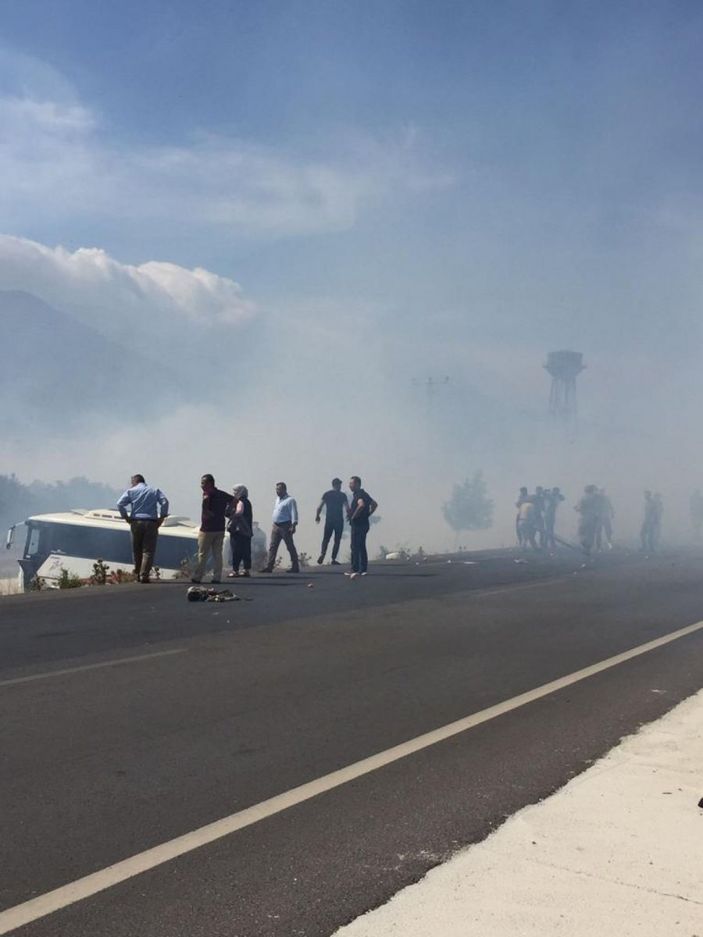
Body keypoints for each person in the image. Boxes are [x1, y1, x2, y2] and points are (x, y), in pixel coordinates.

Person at [116, 474, 169, 583]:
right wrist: (162, 516)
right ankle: (144, 575)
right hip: (151, 523)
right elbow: (165, 502)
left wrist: (126, 517)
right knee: (148, 551)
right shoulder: (154, 490)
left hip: (136, 522)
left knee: (136, 549)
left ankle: (137, 574)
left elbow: (119, 504)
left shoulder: (131, 491)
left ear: (135, 481)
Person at [192, 474, 233, 583]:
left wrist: (208, 512)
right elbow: (235, 501)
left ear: (209, 483)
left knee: (202, 554)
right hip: (219, 528)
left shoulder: (207, 495)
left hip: (207, 529)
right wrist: (228, 512)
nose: (201, 485)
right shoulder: (221, 494)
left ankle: (198, 577)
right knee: (217, 554)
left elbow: (206, 508)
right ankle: (217, 577)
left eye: (203, 483)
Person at [259, 482, 300, 573]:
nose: (277, 491)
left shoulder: (290, 500)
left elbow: (294, 513)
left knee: (290, 546)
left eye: (279, 489)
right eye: (276, 489)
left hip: (285, 525)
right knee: (273, 546)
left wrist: (293, 525)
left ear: (284, 489)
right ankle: (269, 566)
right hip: (276, 525)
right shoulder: (277, 499)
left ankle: (295, 566)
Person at [346, 476, 378, 578]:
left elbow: (361, 505)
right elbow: (374, 504)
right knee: (361, 546)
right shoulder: (364, 494)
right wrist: (368, 514)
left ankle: (355, 569)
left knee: (355, 546)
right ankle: (363, 569)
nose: (350, 485)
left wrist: (354, 517)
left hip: (358, 524)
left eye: (352, 483)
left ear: (358, 484)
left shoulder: (359, 495)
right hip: (364, 523)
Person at [315, 478, 349, 565]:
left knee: (326, 538)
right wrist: (350, 515)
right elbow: (347, 507)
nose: (340, 486)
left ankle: (322, 553)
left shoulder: (327, 494)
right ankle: (333, 558)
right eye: (339, 485)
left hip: (329, 519)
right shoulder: (342, 495)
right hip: (338, 520)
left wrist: (317, 516)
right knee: (337, 540)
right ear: (336, 485)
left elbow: (319, 506)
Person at [226, 484, 253, 578]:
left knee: (236, 550)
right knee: (246, 550)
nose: (234, 493)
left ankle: (235, 570)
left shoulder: (239, 502)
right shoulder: (247, 502)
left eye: (236, 491)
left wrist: (232, 516)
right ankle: (246, 570)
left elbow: (239, 512)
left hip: (238, 530)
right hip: (247, 530)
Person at [575, 485, 600, 556]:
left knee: (581, 532)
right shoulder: (596, 498)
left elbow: (579, 508)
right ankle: (588, 549)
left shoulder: (583, 498)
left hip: (585, 518)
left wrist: (576, 508)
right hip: (593, 518)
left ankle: (585, 547)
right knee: (591, 534)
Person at [543, 487, 565, 551]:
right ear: (554, 491)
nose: (557, 492)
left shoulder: (554, 496)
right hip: (548, 515)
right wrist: (547, 491)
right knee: (549, 529)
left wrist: (557, 494)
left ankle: (550, 543)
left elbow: (563, 498)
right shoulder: (550, 496)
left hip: (551, 515)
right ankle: (548, 543)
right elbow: (545, 494)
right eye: (556, 491)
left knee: (550, 529)